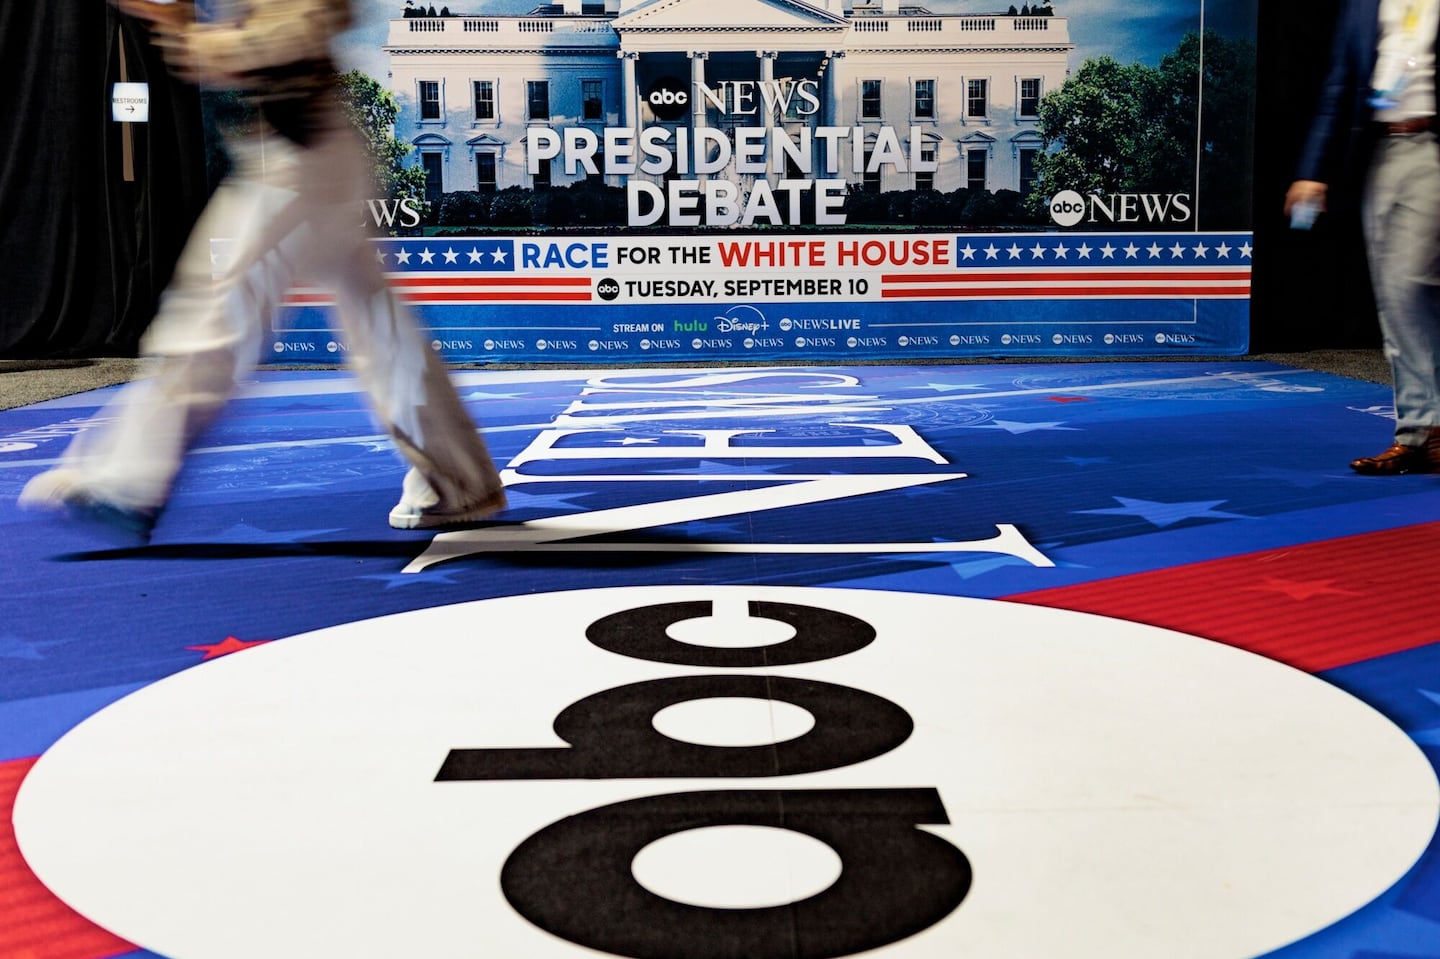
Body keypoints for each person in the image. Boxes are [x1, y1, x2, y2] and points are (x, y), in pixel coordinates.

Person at [20, 0, 505, 537]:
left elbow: (307, 24)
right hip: (302, 144)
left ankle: (126, 483)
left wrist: (194, 33)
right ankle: (459, 481)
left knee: (218, 315)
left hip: (299, 150)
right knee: (375, 327)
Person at [1287, 0, 1440, 474]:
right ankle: (1418, 436)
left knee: (1413, 284)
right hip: (1381, 152)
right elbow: (1338, 89)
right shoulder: (1360, 5)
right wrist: (1313, 171)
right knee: (1395, 297)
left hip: (1432, 147)